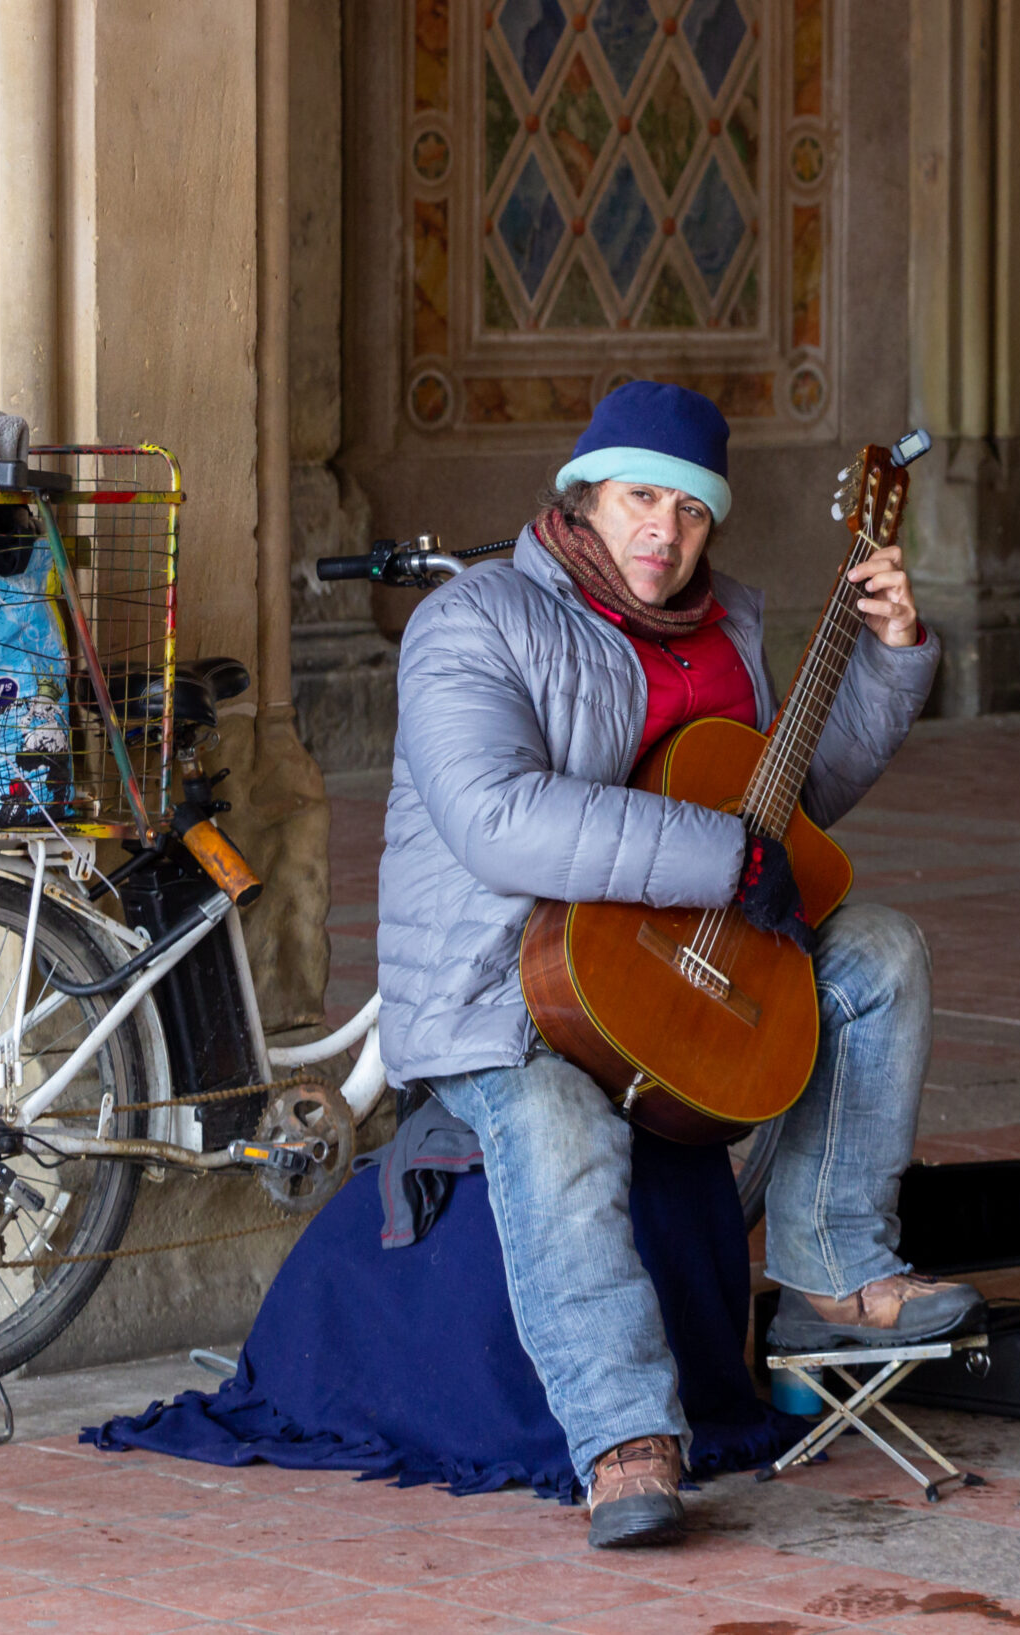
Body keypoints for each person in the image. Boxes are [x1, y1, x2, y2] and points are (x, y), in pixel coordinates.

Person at [375, 381, 982, 1549]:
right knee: (559, 1131)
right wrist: (721, 856)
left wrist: (893, 659)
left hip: (670, 949)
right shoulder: (478, 621)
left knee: (879, 951)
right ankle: (623, 1441)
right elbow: (497, 817)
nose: (665, 531)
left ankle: (834, 1269)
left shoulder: (729, 627)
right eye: (640, 498)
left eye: (692, 511)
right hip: (508, 981)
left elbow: (781, 814)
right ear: (586, 495)